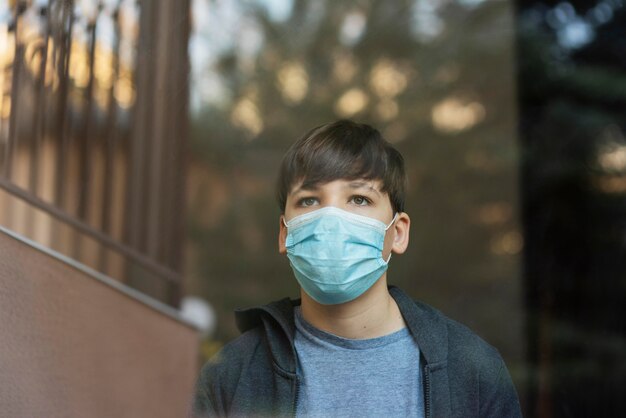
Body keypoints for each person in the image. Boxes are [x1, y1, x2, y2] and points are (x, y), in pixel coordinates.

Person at [190, 120, 523, 418]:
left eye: (359, 199)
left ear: (399, 232)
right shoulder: (232, 376)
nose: (331, 218)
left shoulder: (472, 371)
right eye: (309, 200)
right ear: (284, 233)